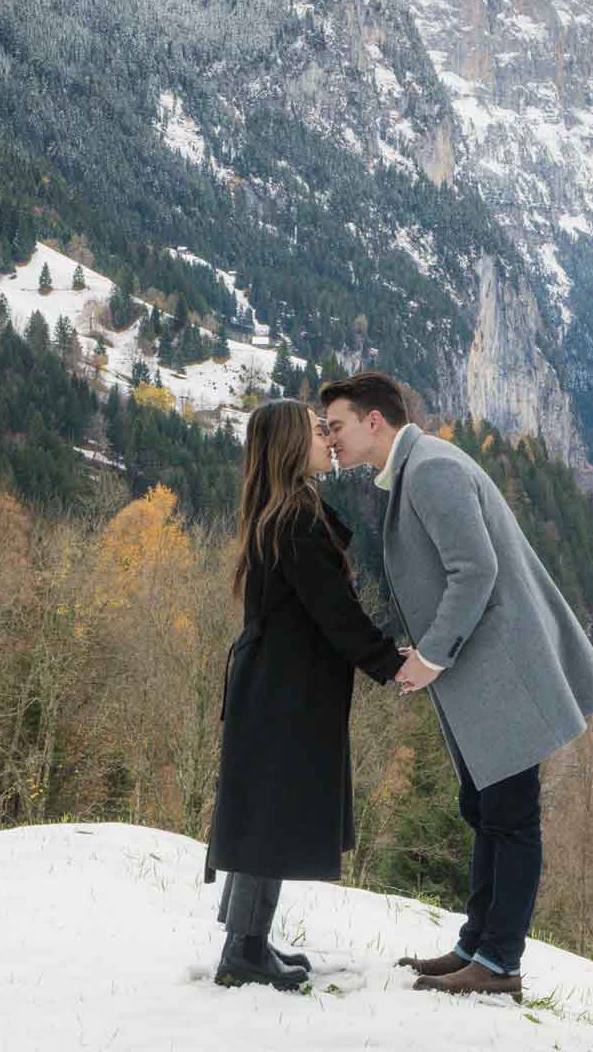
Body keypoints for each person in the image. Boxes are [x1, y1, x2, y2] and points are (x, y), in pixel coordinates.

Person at [319, 371, 593, 1002]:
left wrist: (431, 655)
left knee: (510, 816)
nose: (330, 438)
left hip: (500, 671)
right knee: (487, 810)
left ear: (375, 421)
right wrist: (429, 652)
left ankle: (499, 964)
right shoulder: (419, 468)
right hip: (480, 671)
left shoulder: (429, 469)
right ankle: (474, 946)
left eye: (337, 425)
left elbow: (474, 570)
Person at [203, 399, 405, 990]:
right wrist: (391, 663)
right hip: (281, 688)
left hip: (274, 682)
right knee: (269, 817)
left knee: (265, 813)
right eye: (318, 431)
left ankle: (249, 942)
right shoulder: (294, 517)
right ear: (293, 444)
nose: (328, 438)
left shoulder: (285, 510)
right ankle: (243, 952)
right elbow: (336, 614)